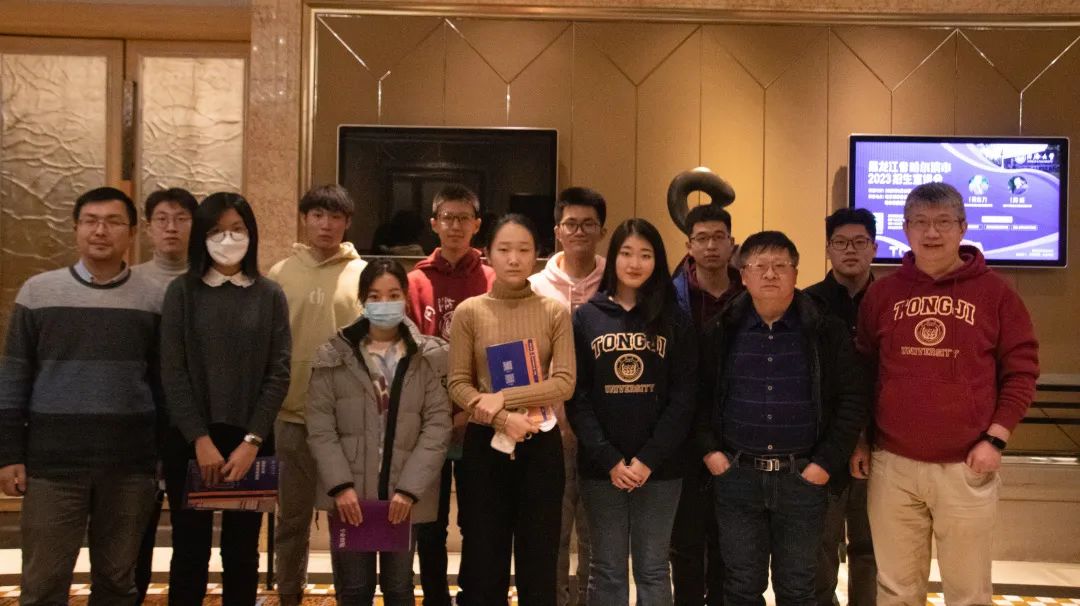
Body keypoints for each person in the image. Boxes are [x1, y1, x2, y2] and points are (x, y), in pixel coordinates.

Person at [852, 182, 1039, 606]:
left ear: (963, 227)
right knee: (895, 589)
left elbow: (1022, 371)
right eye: (920, 222)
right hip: (892, 465)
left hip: (966, 465)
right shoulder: (882, 294)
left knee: (968, 593)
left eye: (942, 222)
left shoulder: (997, 294)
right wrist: (861, 438)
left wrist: (996, 439)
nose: (931, 232)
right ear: (905, 229)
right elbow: (862, 374)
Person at [0, 186, 161, 605]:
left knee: (117, 582)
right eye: (91, 221)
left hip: (129, 464)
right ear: (76, 229)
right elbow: (14, 376)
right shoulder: (38, 292)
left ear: (132, 233)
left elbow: (164, 384)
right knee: (43, 583)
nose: (100, 231)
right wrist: (9, 453)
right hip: (53, 464)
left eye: (113, 222)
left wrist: (161, 456)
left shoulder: (153, 299)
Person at [696, 230, 868, 606]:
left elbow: (851, 399)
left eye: (780, 265)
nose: (770, 274)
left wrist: (825, 463)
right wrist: (711, 452)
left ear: (795, 273)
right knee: (741, 586)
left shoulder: (824, 329)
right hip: (738, 477)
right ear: (744, 275)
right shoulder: (722, 329)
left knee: (799, 588)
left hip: (802, 478)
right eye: (760, 266)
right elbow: (699, 397)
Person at [160, 192, 291, 606]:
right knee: (189, 552)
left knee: (242, 554)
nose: (228, 238)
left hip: (250, 442)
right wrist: (199, 439)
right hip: (191, 441)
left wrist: (252, 441)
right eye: (217, 231)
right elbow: (173, 371)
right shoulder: (182, 292)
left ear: (251, 234)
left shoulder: (269, 294)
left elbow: (278, 372)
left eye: (237, 229)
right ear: (202, 236)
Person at [306, 259, 452, 606]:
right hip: (350, 497)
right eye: (374, 296)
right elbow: (320, 426)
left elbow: (437, 425)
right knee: (354, 589)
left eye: (393, 294)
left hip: (404, 496)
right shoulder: (333, 354)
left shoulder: (429, 355)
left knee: (399, 588)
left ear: (405, 297)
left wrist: (409, 489)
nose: (384, 303)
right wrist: (340, 486)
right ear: (362, 299)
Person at [447, 214, 575, 606]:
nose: (514, 259)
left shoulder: (554, 310)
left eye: (523, 250)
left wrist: (504, 398)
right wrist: (502, 418)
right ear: (487, 253)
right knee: (485, 563)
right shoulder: (469, 311)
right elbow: (458, 384)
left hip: (541, 445)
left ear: (538, 255)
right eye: (504, 249)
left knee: (539, 564)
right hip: (485, 446)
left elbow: (564, 382)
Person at [568, 217, 696, 606]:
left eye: (645, 254)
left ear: (657, 260)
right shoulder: (587, 317)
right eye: (626, 253)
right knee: (606, 568)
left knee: (653, 567)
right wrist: (609, 459)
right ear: (613, 258)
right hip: (601, 468)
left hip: (660, 468)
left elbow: (684, 396)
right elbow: (578, 397)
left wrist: (647, 459)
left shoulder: (675, 317)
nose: (635, 263)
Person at [268, 184, 368, 605]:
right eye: (317, 215)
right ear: (304, 219)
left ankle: (350, 596)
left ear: (347, 222)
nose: (325, 224)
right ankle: (289, 592)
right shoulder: (279, 274)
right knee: (291, 517)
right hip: (291, 415)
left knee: (347, 516)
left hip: (347, 422)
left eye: (335, 216)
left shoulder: (363, 274)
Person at [406, 184, 494, 606]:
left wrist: (470, 410)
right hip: (428, 424)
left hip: (481, 420)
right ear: (434, 224)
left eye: (463, 218)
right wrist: (438, 415)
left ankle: (472, 596)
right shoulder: (415, 282)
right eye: (447, 218)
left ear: (477, 225)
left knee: (479, 521)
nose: (455, 226)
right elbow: (406, 356)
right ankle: (436, 597)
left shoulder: (493, 280)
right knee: (430, 523)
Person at [528, 186, 608, 606]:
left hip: (604, 433)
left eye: (588, 224)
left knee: (596, 536)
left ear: (602, 231)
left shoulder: (616, 282)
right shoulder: (534, 286)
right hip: (546, 430)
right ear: (557, 230)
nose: (579, 231)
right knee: (551, 533)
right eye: (571, 224)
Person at [669, 203, 743, 606]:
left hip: (736, 432)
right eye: (702, 238)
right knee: (684, 541)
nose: (711, 246)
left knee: (729, 541)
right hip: (681, 435)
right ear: (689, 245)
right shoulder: (670, 296)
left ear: (732, 243)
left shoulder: (749, 292)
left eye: (718, 237)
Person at [805, 208, 878, 606]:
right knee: (820, 544)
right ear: (828, 249)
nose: (850, 250)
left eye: (859, 242)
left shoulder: (891, 300)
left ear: (874, 247)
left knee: (870, 546)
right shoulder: (807, 303)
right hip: (823, 445)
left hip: (881, 443)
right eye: (841, 242)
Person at [132, 187, 199, 604]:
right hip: (139, 422)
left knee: (190, 535)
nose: (171, 228)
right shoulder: (131, 282)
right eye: (162, 219)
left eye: (181, 219)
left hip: (191, 426)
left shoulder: (206, 282)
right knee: (134, 531)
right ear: (147, 227)